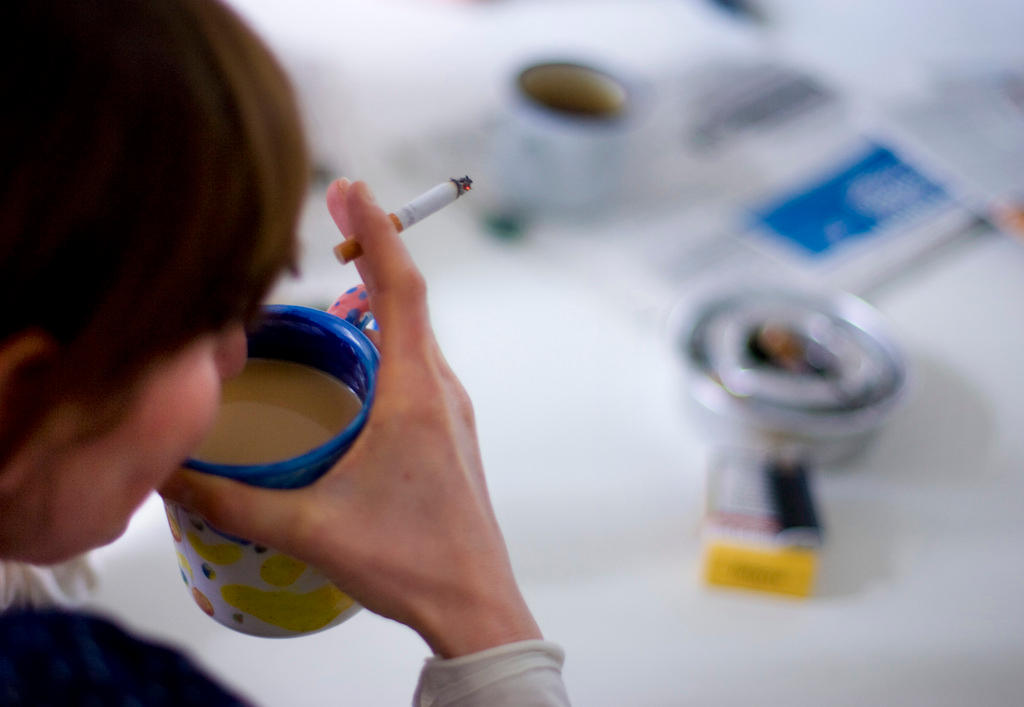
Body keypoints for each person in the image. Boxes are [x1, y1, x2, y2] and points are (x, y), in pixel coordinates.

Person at [0, 1, 571, 705]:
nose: (236, 355)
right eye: (204, 318)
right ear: (20, 393)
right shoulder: (75, 681)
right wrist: (487, 624)